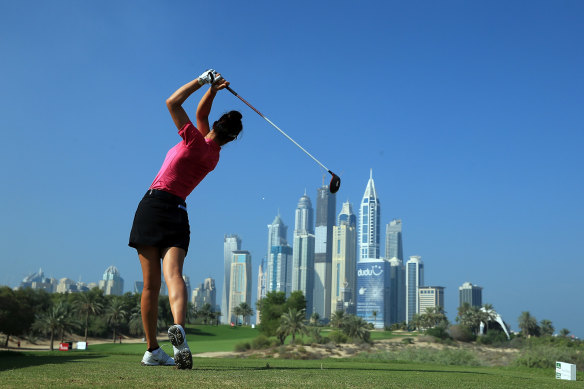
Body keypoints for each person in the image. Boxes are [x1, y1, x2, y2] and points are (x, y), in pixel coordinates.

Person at [129, 69, 243, 369]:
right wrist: (215, 90)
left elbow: (172, 103)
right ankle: (178, 327)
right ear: (231, 138)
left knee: (150, 287)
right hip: (178, 211)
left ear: (214, 126)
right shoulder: (213, 156)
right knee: (175, 276)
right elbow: (201, 114)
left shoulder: (194, 139)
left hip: (153, 206)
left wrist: (203, 80)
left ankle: (153, 349)